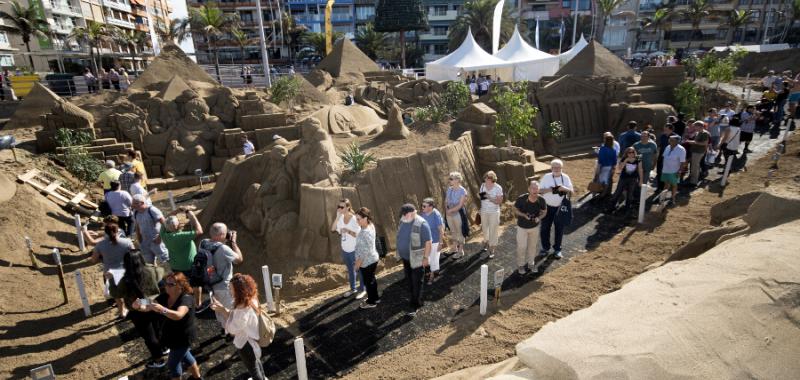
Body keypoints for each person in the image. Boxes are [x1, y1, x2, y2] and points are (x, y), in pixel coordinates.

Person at [139, 272, 202, 380]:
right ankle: (198, 378)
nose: (166, 286)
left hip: (183, 338)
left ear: (180, 286)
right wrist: (140, 302)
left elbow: (178, 315)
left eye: (170, 284)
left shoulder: (186, 298)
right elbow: (152, 303)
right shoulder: (166, 296)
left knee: (173, 364)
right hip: (172, 336)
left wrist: (162, 309)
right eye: (165, 283)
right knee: (187, 357)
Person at [210, 273, 265, 380]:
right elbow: (236, 318)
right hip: (253, 339)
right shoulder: (251, 299)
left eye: (231, 288)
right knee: (256, 362)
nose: (229, 291)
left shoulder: (241, 309)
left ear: (239, 290)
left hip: (245, 343)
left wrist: (223, 314)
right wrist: (222, 309)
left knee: (253, 368)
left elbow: (232, 330)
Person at [118, 250, 167, 369]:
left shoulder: (125, 279)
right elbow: (161, 272)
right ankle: (164, 347)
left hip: (137, 310)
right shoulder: (151, 270)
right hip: (154, 304)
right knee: (159, 327)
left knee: (149, 336)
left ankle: (159, 359)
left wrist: (110, 280)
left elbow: (117, 292)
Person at [199, 222, 244, 327]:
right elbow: (239, 260)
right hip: (224, 287)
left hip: (211, 285)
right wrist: (233, 242)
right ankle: (232, 334)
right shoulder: (224, 249)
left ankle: (225, 331)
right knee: (229, 313)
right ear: (221, 235)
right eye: (225, 233)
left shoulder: (203, 243)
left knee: (219, 311)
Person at [161, 208, 204, 309]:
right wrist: (191, 214)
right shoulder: (181, 236)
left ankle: (181, 301)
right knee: (197, 284)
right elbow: (199, 231)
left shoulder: (164, 234)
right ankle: (198, 303)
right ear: (177, 226)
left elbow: (166, 219)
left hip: (175, 266)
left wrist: (177, 210)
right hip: (189, 266)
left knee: (180, 284)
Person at [91, 220, 134, 318]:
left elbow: (93, 259)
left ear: (105, 232)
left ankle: (121, 310)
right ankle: (131, 307)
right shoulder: (127, 242)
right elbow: (135, 256)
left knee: (116, 294)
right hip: (125, 271)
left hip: (109, 273)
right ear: (118, 231)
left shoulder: (100, 245)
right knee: (127, 291)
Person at [396, 204, 431, 317]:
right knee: (410, 280)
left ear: (411, 213)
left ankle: (415, 305)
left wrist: (426, 257)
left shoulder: (422, 224)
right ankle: (413, 297)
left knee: (416, 282)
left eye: (406, 215)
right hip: (406, 259)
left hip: (417, 260)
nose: (404, 217)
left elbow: (428, 242)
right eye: (403, 215)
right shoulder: (403, 221)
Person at [329, 198, 364, 299]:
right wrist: (337, 217)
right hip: (345, 249)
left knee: (360, 270)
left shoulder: (354, 219)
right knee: (350, 270)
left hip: (355, 249)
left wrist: (348, 231)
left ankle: (363, 290)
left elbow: (358, 235)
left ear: (348, 207)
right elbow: (332, 229)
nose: (339, 208)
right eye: (338, 207)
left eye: (342, 207)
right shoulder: (340, 218)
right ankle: (353, 289)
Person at [539, 159, 573, 259]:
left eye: (558, 167)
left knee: (559, 229)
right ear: (551, 168)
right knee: (544, 229)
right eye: (554, 167)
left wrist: (564, 188)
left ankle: (557, 249)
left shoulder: (566, 177)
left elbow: (572, 192)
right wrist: (553, 189)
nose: (556, 169)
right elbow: (540, 191)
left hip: (560, 208)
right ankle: (545, 248)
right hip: (547, 207)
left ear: (562, 168)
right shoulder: (546, 177)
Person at [513, 181, 547, 274]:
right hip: (522, 227)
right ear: (529, 189)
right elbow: (515, 209)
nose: (534, 190)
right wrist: (524, 215)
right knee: (522, 247)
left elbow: (544, 211)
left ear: (539, 190)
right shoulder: (521, 199)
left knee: (532, 246)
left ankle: (531, 263)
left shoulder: (541, 200)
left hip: (534, 228)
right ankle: (520, 265)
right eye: (532, 188)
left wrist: (539, 218)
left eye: (536, 188)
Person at [353, 207, 381, 308]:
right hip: (373, 258)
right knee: (372, 280)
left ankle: (371, 302)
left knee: (368, 282)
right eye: (356, 219)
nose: (357, 221)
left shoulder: (364, 233)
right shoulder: (371, 225)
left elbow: (364, 252)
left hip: (367, 262)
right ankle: (376, 298)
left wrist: (357, 265)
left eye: (358, 219)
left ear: (365, 218)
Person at [132, 194, 169, 265]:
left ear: (142, 203)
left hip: (156, 241)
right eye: (132, 204)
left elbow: (164, 224)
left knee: (165, 262)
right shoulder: (135, 212)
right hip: (145, 242)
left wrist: (160, 237)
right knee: (149, 265)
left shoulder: (152, 210)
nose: (133, 206)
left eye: (135, 204)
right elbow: (137, 227)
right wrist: (140, 240)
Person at [609, 147, 643, 213]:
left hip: (633, 179)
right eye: (629, 152)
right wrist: (626, 160)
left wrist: (641, 180)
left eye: (632, 152)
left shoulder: (638, 158)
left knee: (630, 193)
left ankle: (627, 207)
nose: (631, 154)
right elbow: (619, 168)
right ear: (626, 153)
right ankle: (612, 206)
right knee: (618, 191)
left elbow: (640, 170)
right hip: (623, 178)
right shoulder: (624, 158)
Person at [420, 197, 445, 285]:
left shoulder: (436, 215)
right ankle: (434, 270)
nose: (422, 208)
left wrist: (441, 243)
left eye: (424, 206)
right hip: (426, 241)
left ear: (430, 207)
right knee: (428, 258)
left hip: (435, 241)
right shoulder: (423, 214)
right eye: (422, 206)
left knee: (433, 258)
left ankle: (432, 276)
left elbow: (441, 230)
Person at [479, 170, 503, 259]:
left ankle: (492, 248)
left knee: (493, 230)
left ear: (492, 179)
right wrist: (480, 208)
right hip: (484, 211)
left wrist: (489, 197)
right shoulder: (482, 186)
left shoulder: (498, 188)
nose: (486, 179)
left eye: (488, 177)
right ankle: (486, 241)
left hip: (494, 212)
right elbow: (482, 198)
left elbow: (499, 202)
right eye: (485, 177)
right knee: (485, 228)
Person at [444, 171, 468, 258]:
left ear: (457, 180)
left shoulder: (463, 191)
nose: (449, 180)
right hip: (449, 213)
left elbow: (460, 205)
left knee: (460, 231)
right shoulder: (449, 189)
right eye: (449, 178)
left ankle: (461, 250)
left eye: (451, 179)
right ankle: (454, 248)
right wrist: (447, 209)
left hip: (458, 214)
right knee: (453, 231)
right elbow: (446, 200)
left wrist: (450, 211)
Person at [660, 135, 687, 203]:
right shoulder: (667, 147)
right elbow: (664, 157)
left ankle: (673, 198)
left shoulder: (681, 149)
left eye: (671, 140)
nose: (669, 141)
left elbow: (683, 162)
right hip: (665, 169)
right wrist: (663, 167)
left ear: (677, 141)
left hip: (674, 171)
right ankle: (663, 198)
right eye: (669, 139)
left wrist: (679, 171)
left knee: (674, 185)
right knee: (666, 184)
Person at [686, 121, 709, 186]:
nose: (694, 127)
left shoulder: (705, 133)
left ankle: (693, 182)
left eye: (695, 126)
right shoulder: (698, 132)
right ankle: (692, 179)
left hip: (699, 152)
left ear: (700, 126)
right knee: (694, 166)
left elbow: (704, 143)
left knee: (695, 166)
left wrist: (694, 142)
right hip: (695, 151)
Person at [655, 123, 674, 191]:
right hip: (661, 156)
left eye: (666, 129)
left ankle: (666, 188)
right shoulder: (662, 136)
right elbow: (660, 146)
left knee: (667, 172)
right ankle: (659, 187)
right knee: (659, 172)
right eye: (664, 129)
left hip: (670, 158)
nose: (664, 130)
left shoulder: (675, 137)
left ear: (671, 130)